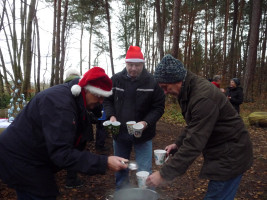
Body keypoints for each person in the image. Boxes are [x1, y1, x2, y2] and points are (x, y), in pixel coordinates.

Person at [0, 67, 128, 200]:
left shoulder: (76, 98)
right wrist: (104, 162)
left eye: (104, 97)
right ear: (86, 89)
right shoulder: (60, 105)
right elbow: (61, 153)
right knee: (42, 194)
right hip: (19, 157)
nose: (101, 101)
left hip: (34, 156)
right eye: (99, 96)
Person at [146, 54, 253, 200]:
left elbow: (194, 143)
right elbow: (194, 124)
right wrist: (177, 144)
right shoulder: (186, 90)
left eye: (165, 87)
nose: (164, 92)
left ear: (177, 80)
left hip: (232, 154)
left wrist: (164, 174)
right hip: (223, 150)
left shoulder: (203, 98)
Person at [103, 46, 165, 190]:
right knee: (120, 167)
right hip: (120, 134)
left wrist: (146, 122)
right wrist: (111, 115)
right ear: (126, 63)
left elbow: (158, 107)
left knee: (144, 170)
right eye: (130, 64)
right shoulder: (116, 79)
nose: (133, 68)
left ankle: (146, 195)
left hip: (143, 134)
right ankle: (122, 194)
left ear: (143, 64)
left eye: (137, 65)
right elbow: (107, 100)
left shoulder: (152, 82)